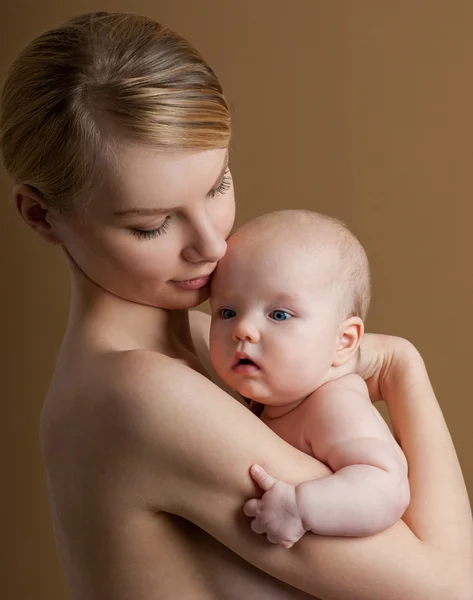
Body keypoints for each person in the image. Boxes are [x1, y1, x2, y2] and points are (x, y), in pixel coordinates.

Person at [1, 11, 471, 600]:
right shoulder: (140, 394)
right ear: (41, 215)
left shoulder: (213, 346)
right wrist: (403, 366)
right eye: (152, 225)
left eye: (218, 184)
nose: (212, 244)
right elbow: (450, 589)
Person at [209, 209, 410, 549]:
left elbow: (386, 487)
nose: (243, 329)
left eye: (279, 315)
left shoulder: (334, 404)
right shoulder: (276, 400)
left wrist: (302, 507)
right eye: (228, 312)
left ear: (343, 341)